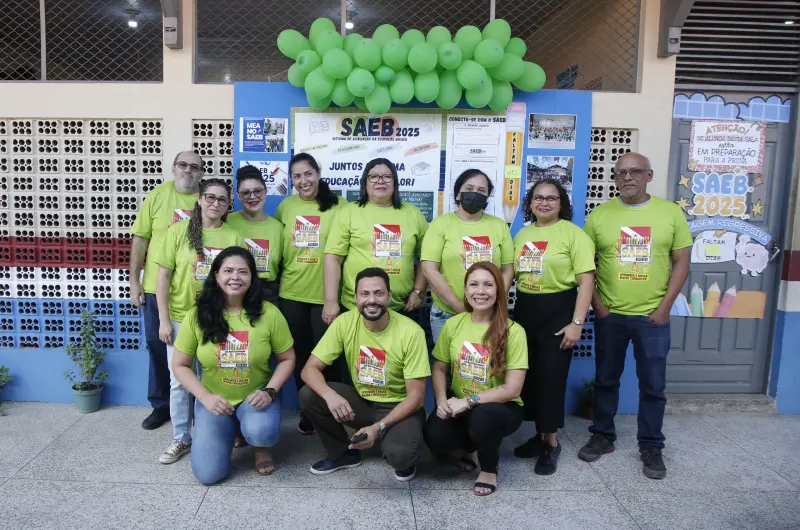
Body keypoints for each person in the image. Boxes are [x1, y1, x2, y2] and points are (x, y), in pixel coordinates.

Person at [578, 153, 691, 480]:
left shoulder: (670, 213)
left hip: (653, 317)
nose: (627, 177)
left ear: (649, 175)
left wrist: (664, 308)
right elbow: (586, 266)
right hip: (610, 316)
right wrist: (597, 305)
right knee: (606, 379)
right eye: (621, 173)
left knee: (653, 385)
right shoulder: (599, 216)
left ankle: (652, 445)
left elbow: (682, 263)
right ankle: (603, 435)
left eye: (635, 172)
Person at [171, 247, 295, 484]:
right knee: (209, 475)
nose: (235, 278)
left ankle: (258, 446)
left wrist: (270, 391)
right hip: (215, 401)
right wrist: (205, 398)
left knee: (262, 432)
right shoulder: (197, 315)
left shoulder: (269, 313)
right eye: (228, 271)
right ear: (216, 275)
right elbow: (179, 365)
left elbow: (287, 359)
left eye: (243, 272)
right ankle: (233, 430)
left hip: (255, 398)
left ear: (252, 277)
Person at [299, 267, 430, 481]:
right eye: (365, 294)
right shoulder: (345, 322)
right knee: (310, 394)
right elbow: (309, 370)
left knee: (401, 456)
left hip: (399, 405)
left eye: (378, 293)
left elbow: (416, 396)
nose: (372, 300)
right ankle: (343, 454)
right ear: (356, 297)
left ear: (389, 296)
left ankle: (400, 440)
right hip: (362, 401)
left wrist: (378, 428)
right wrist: (330, 396)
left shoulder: (411, 332)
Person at [154, 178, 245, 465]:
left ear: (228, 205)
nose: (215, 203)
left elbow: (240, 280)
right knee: (179, 381)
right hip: (181, 318)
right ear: (199, 200)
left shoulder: (234, 237)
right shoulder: (178, 232)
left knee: (215, 377)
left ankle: (217, 431)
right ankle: (181, 437)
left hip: (217, 318)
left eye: (222, 199)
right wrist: (164, 320)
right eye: (210, 197)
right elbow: (163, 277)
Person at [511, 179, 595, 475]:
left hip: (559, 311)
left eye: (551, 198)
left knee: (551, 378)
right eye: (538, 197)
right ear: (530, 202)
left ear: (562, 204)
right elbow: (512, 274)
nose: (544, 203)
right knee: (529, 378)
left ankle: (552, 444)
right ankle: (539, 435)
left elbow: (587, 281)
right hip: (526, 310)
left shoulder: (574, 235)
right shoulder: (522, 234)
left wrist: (576, 323)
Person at [423, 262, 527, 496]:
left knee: (483, 416)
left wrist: (470, 401)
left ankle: (489, 469)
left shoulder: (514, 331)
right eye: (474, 284)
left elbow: (513, 389)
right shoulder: (453, 324)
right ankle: (470, 447)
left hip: (501, 408)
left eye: (488, 285)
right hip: (461, 404)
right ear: (466, 290)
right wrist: (441, 401)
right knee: (435, 437)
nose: (481, 291)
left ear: (499, 291)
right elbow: (439, 368)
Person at [130, 151, 205, 431]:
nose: (188, 170)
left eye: (194, 167)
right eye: (183, 165)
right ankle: (161, 405)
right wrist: (134, 281)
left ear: (201, 173)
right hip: (155, 288)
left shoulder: (207, 199)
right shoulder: (157, 196)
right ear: (174, 168)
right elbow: (140, 239)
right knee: (157, 346)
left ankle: (198, 406)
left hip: (194, 293)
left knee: (198, 354)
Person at [275, 153, 344, 436]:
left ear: (318, 172)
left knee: (331, 359)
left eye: (308, 174)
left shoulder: (339, 206)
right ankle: (309, 411)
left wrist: (333, 300)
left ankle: (335, 409)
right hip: (291, 294)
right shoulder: (286, 206)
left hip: (326, 298)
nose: (303, 181)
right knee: (300, 357)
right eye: (297, 176)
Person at [323, 158, 427, 325]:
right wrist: (330, 301)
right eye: (374, 176)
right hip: (355, 308)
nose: (380, 181)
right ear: (365, 182)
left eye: (387, 176)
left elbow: (425, 258)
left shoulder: (413, 214)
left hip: (401, 307)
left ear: (395, 182)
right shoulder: (348, 212)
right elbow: (333, 258)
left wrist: (419, 291)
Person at [421, 169, 514, 342]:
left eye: (481, 191)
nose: (475, 194)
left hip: (490, 314)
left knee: (487, 366)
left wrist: (494, 301)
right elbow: (429, 268)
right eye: (469, 188)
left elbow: (508, 270)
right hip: (446, 314)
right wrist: (458, 306)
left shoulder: (499, 226)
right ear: (458, 194)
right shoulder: (441, 224)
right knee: (446, 366)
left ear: (487, 197)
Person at [226, 165, 284, 305]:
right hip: (233, 291)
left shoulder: (278, 227)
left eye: (258, 191)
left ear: (266, 191)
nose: (252, 197)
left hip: (268, 293)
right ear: (239, 196)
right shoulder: (227, 221)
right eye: (246, 193)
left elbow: (283, 267)